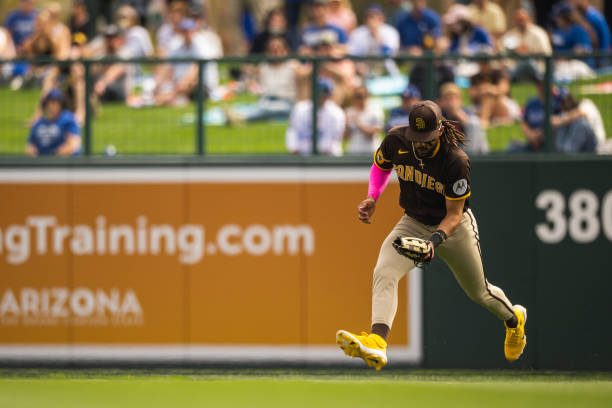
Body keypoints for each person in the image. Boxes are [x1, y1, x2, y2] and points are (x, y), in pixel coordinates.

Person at [336, 100, 527, 370]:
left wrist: (433, 242)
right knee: (384, 271)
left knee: (480, 292)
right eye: (417, 137)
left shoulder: (455, 160)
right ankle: (378, 342)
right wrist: (373, 196)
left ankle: (514, 320)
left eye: (426, 138)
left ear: (439, 130)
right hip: (413, 221)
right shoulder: (396, 140)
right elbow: (381, 166)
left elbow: (454, 213)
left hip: (454, 228)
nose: (420, 143)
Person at [285, 78, 345, 156]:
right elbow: (293, 131)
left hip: (329, 156)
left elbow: (334, 137)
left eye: (325, 93)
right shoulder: (300, 108)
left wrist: (319, 152)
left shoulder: (337, 112)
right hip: (303, 154)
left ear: (329, 94)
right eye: (319, 93)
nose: (322, 96)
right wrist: (294, 148)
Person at [347, 4, 400, 77]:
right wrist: (358, 65)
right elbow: (352, 54)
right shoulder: (358, 33)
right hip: (364, 72)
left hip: (386, 72)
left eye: (376, 16)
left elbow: (389, 53)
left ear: (382, 18)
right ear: (365, 19)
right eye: (370, 16)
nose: (373, 19)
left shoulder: (390, 32)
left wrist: (376, 34)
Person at [501, 8, 552, 82]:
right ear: (514, 21)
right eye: (518, 20)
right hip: (515, 68)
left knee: (528, 63)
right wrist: (516, 52)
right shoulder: (509, 35)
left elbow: (546, 53)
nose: (521, 22)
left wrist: (527, 53)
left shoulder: (539, 33)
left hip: (536, 67)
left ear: (529, 19)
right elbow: (503, 55)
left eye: (522, 19)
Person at [27, 89, 81, 157]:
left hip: (63, 162)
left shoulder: (68, 120)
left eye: (54, 103)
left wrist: (54, 156)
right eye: (48, 103)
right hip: (41, 163)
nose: (51, 106)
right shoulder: (38, 124)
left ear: (61, 105)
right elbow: (30, 147)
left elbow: (73, 146)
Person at [438, 82, 489, 154]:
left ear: (461, 101)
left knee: (474, 123)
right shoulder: (439, 114)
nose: (452, 102)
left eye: (456, 98)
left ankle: (476, 159)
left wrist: (460, 116)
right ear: (442, 102)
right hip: (446, 155)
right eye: (449, 99)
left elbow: (478, 127)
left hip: (466, 151)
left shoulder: (466, 112)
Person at [345, 85, 384, 155]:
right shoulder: (349, 112)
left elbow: (374, 133)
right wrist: (346, 126)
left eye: (360, 96)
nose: (357, 100)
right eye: (355, 96)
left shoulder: (375, 110)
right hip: (354, 152)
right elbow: (345, 137)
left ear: (367, 96)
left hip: (370, 152)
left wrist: (359, 124)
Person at [572, 0, 611, 66]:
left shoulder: (594, 17)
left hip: (601, 56)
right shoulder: (582, 15)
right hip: (593, 55)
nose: (577, 3)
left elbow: (605, 37)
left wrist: (602, 57)